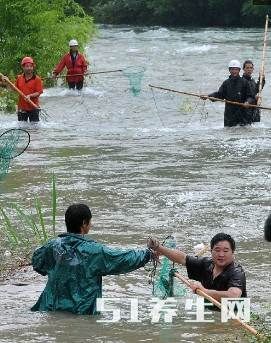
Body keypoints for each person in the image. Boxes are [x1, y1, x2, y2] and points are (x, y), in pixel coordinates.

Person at [31, 203, 151, 315]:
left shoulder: (52, 246)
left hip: (50, 308)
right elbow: (122, 259)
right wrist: (148, 254)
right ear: (84, 223)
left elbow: (37, 263)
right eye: (90, 221)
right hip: (82, 311)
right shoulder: (95, 251)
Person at [147, 232, 246, 302]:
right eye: (217, 250)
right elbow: (183, 258)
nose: (221, 254)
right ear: (211, 251)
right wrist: (159, 248)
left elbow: (233, 295)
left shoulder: (237, 272)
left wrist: (204, 291)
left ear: (233, 253)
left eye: (225, 251)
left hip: (234, 316)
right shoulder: (206, 264)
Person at [202, 60, 254, 127]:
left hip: (243, 114)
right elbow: (220, 94)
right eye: (232, 69)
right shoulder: (226, 83)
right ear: (229, 70)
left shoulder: (245, 82)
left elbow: (251, 96)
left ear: (239, 70)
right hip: (229, 115)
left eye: (236, 69)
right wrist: (208, 96)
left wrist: (248, 102)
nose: (234, 71)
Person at [1, 56, 43, 122]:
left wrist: (30, 96)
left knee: (35, 130)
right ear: (23, 67)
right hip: (22, 108)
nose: (29, 68)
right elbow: (13, 89)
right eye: (27, 66)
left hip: (33, 107)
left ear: (33, 67)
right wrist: (7, 82)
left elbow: (39, 92)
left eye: (31, 66)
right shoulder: (19, 78)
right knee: (21, 129)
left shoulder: (37, 79)